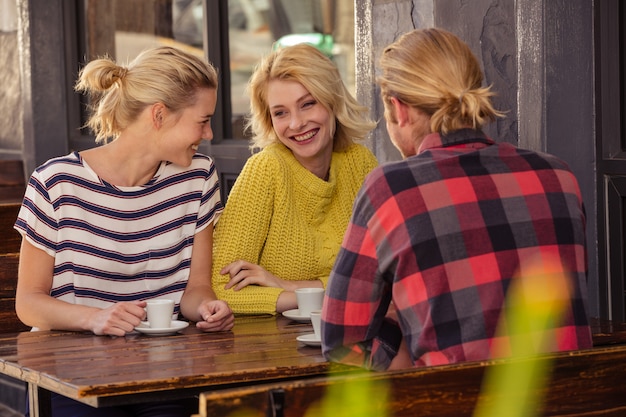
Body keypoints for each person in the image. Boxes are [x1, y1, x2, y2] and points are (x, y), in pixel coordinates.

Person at [321, 28, 593, 371]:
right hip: (576, 401)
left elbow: (342, 343)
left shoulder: (391, 189)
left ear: (398, 109)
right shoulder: (560, 177)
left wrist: (399, 326)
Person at [14, 46, 234, 416]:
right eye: (203, 120)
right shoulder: (56, 183)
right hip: (73, 377)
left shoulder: (198, 177)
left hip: (166, 374)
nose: (209, 134)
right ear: (160, 115)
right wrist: (96, 318)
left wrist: (208, 309)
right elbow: (29, 303)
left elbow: (195, 289)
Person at [211, 43, 378, 314]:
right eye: (280, 113)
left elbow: (379, 276)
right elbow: (220, 290)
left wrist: (285, 284)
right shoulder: (265, 170)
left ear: (332, 100)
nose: (296, 124)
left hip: (348, 333)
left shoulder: (359, 164)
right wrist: (311, 296)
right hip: (269, 346)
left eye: (308, 104)